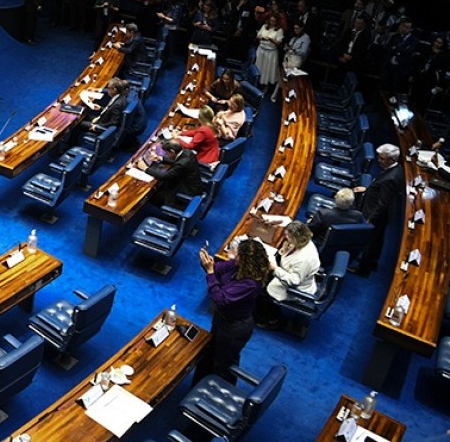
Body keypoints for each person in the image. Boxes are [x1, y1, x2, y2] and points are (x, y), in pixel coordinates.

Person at [193, 239, 271, 384]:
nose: (235, 256)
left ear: (246, 260)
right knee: (209, 352)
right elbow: (217, 269)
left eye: (239, 254)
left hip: (234, 328)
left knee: (223, 363)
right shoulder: (237, 265)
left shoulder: (251, 283)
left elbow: (221, 298)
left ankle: (219, 392)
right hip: (221, 318)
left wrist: (210, 272)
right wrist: (208, 264)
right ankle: (199, 385)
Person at [350, 144, 405, 275]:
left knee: (370, 242)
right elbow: (382, 191)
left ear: (392, 159)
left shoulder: (390, 178)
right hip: (382, 213)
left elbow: (383, 203)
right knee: (377, 240)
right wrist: (367, 189)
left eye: (382, 158)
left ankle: (363, 270)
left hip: (377, 215)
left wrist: (371, 219)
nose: (379, 160)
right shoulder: (396, 169)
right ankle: (372, 263)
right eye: (379, 157)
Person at [255, 221, 320, 329]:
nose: (286, 238)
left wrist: (275, 268)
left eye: (288, 236)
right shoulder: (302, 242)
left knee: (262, 291)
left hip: (295, 289)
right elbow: (289, 262)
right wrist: (284, 250)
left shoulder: (304, 259)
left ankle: (273, 320)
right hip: (287, 275)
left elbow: (294, 281)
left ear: (296, 238)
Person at [137, 139, 204, 208]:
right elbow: (178, 161)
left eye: (167, 153)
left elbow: (165, 177)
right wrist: (160, 158)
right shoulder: (188, 152)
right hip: (193, 185)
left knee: (153, 197)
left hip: (186, 190)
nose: (167, 155)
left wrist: (145, 168)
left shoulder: (182, 164)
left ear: (172, 151)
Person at [255, 13, 284, 102]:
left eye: (274, 21)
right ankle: (256, 84)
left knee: (267, 70)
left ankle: (266, 88)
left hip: (271, 53)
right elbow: (258, 35)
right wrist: (262, 37)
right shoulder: (264, 26)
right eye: (271, 20)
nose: (272, 22)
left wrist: (271, 40)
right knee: (259, 68)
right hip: (261, 50)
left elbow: (279, 43)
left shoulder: (279, 30)